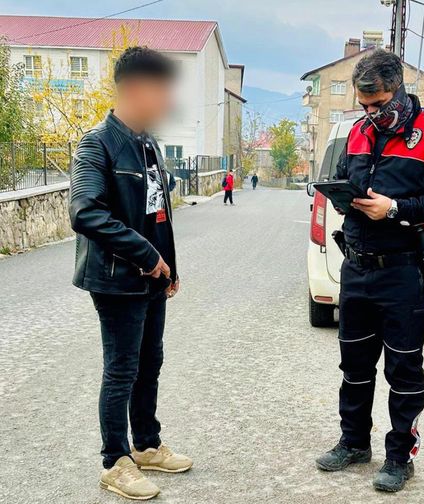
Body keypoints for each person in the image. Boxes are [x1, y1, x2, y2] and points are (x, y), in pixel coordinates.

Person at [314, 49, 424, 493]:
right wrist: (343, 196)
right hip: (357, 267)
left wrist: (395, 208)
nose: (370, 114)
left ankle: (399, 456)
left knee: (403, 370)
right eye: (364, 106)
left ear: (398, 90)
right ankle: (354, 442)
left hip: (404, 271)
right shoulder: (359, 133)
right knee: (354, 365)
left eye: (378, 104)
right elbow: (348, 182)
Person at [69, 46, 192, 501]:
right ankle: (115, 461)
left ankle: (147, 445)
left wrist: (168, 268)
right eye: (161, 91)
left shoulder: (148, 144)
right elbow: (85, 212)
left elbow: (158, 213)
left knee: (149, 363)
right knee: (121, 369)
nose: (166, 102)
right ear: (135, 89)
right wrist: (144, 254)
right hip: (116, 276)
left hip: (151, 277)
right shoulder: (96, 143)